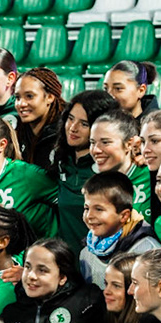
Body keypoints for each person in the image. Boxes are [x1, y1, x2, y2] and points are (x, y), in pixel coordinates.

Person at [1, 237, 105, 323]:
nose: (31, 276)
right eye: (28, 267)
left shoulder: (87, 302)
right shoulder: (11, 314)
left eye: (42, 270)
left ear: (62, 277)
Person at [56, 89, 121, 244]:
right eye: (70, 119)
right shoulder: (60, 161)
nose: (73, 128)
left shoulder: (112, 170)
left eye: (84, 124)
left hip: (99, 261)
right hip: (64, 261)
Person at [78, 170, 160, 287]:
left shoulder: (148, 251)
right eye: (86, 208)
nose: (89, 216)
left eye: (99, 209)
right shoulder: (86, 254)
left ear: (123, 215)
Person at [88, 109, 152, 221]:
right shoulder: (96, 184)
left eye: (105, 142)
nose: (96, 150)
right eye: (92, 143)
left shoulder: (152, 176)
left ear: (129, 144)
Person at [12, 67, 66, 171]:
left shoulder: (66, 133)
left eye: (29, 96)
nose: (21, 104)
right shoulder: (16, 130)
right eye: (17, 97)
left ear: (50, 97)